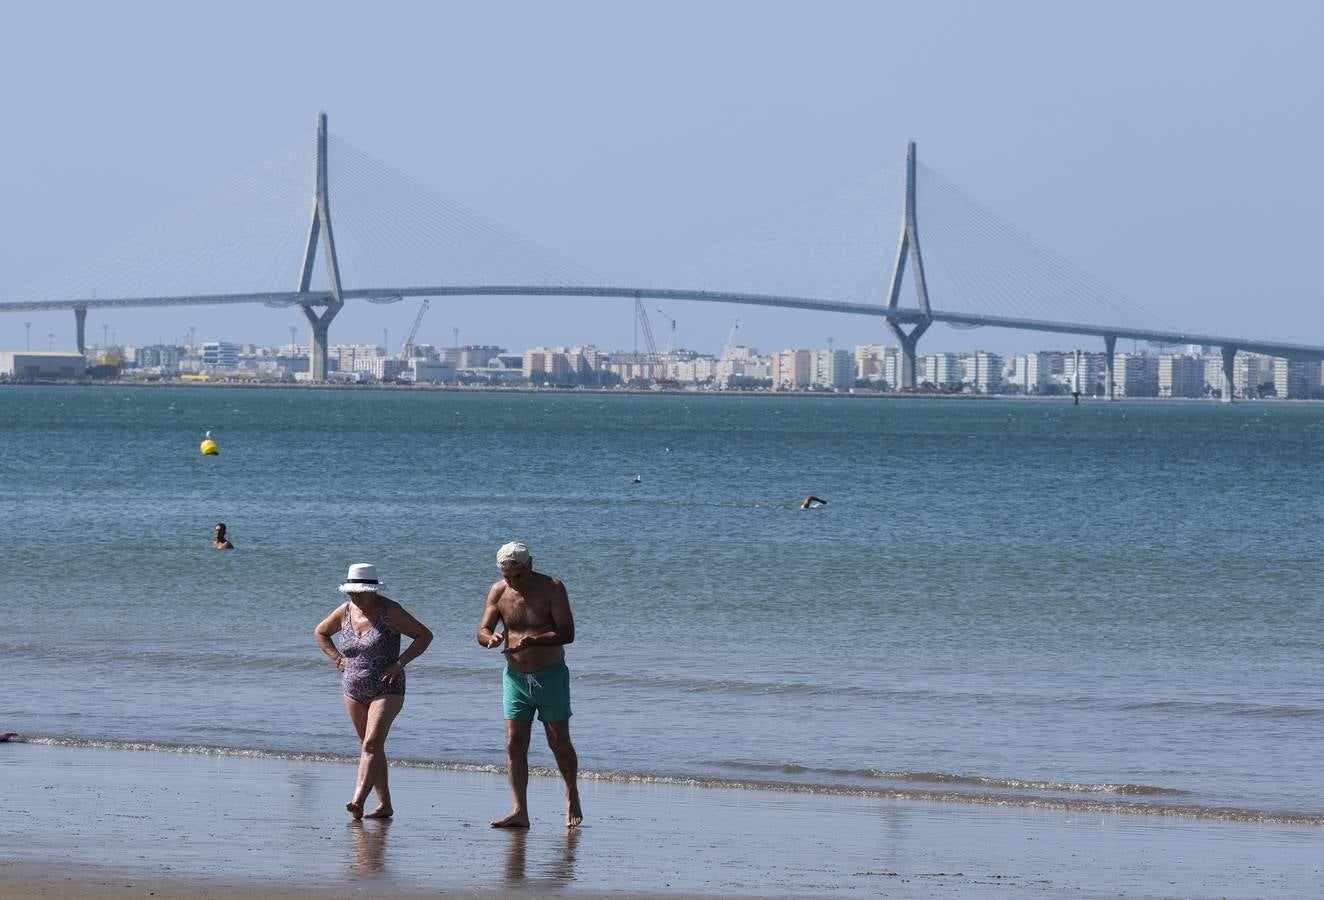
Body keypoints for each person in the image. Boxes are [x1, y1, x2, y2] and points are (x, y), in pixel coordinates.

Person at [315, 563, 433, 820]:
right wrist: (337, 659)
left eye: (362, 592)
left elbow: (424, 635)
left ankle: (358, 799)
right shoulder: (345, 611)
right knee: (371, 747)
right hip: (353, 688)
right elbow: (321, 632)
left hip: (387, 687)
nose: (357, 597)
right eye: (352, 593)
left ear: (374, 590)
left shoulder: (391, 611)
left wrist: (400, 663)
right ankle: (384, 805)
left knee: (371, 744)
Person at [478, 541, 582, 828]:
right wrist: (490, 638)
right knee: (514, 742)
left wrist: (535, 640)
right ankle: (519, 810)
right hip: (514, 677)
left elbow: (567, 633)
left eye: (518, 576)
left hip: (550, 675)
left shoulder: (552, 587)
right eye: (508, 577)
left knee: (558, 741)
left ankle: (571, 793)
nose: (513, 583)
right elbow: (482, 629)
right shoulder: (499, 591)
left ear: (530, 565)